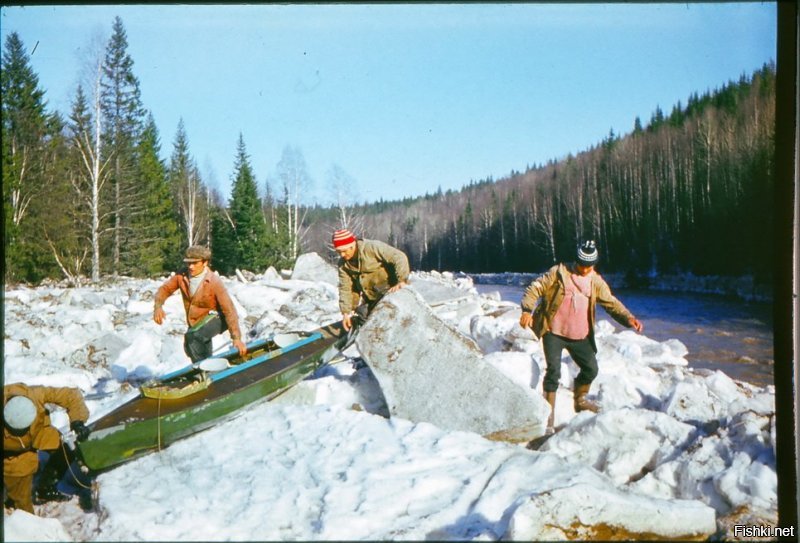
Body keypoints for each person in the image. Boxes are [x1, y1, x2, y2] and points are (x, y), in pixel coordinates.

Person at [519, 240, 643, 432]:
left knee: (591, 369)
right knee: (553, 372)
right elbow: (535, 288)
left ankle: (580, 400)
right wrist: (527, 309)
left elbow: (611, 303)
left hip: (580, 335)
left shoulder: (596, 282)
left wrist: (629, 318)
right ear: (576, 261)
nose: (585, 270)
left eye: (589, 266)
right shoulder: (559, 272)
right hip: (554, 332)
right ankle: (548, 420)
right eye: (582, 265)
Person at [4, 383, 91, 513]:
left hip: (39, 433)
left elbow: (71, 395)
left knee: (65, 449)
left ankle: (46, 487)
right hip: (13, 454)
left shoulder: (35, 394)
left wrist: (77, 421)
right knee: (22, 503)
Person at [154, 245, 247, 363]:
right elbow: (164, 289)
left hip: (218, 318)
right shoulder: (181, 276)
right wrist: (158, 307)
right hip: (197, 321)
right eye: (188, 263)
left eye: (195, 263)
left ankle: (203, 369)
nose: (191, 267)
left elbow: (229, 310)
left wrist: (236, 338)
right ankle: (209, 366)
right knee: (190, 345)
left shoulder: (214, 282)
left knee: (194, 337)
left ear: (205, 263)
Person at [333, 229, 410, 332]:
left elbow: (399, 257)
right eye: (339, 252)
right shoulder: (343, 265)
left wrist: (402, 281)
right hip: (371, 297)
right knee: (362, 316)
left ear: (353, 245)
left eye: (344, 251)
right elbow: (346, 288)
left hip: (390, 291)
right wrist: (346, 312)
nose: (342, 255)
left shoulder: (372, 248)